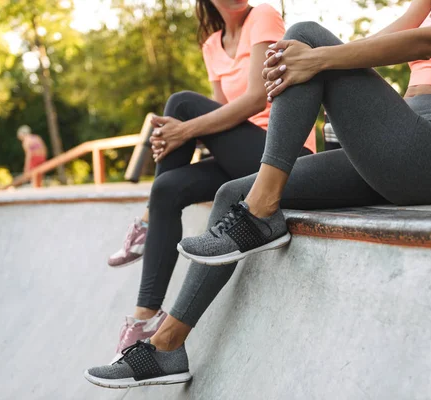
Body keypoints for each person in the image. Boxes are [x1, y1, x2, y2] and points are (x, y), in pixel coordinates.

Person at [84, 0, 431, 388]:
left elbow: (429, 41)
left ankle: (262, 209)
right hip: (396, 145)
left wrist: (316, 58)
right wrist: (306, 59)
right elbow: (369, 47)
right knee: (231, 194)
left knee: (306, 36)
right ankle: (167, 346)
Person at [102, 0, 316, 364]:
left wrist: (183, 130)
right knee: (166, 188)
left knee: (181, 104)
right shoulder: (211, 44)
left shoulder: (263, 16)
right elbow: (219, 112)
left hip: (283, 152)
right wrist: (179, 138)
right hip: (244, 158)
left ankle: (148, 223)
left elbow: (254, 99)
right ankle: (145, 316)